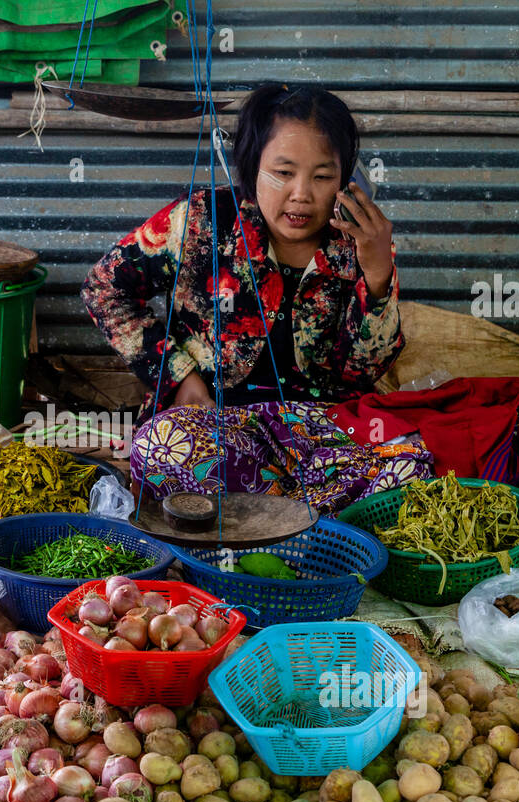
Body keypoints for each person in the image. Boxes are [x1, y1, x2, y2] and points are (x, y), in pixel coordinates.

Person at [82, 84, 425, 512]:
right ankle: (308, 518)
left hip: (319, 434)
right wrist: (178, 375)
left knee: (411, 463)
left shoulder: (359, 240)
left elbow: (361, 376)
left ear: (344, 177)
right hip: (213, 429)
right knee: (161, 448)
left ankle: (268, 516)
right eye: (283, 173)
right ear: (252, 166)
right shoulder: (202, 222)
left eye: (322, 176)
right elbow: (104, 287)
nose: (301, 194)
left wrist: (377, 274)